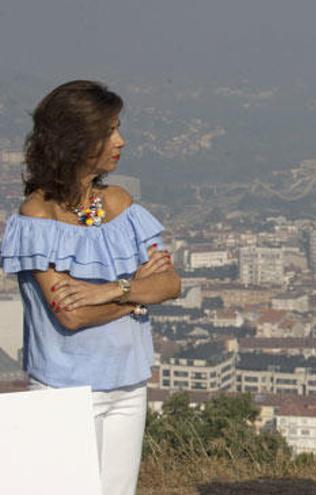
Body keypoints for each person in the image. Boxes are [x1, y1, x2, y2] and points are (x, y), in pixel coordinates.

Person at [0, 80, 181, 495]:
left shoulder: (120, 202)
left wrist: (110, 290)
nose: (121, 140)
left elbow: (170, 282)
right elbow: (71, 313)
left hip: (129, 383)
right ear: (76, 140)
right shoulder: (37, 217)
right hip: (66, 389)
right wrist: (136, 294)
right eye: (110, 130)